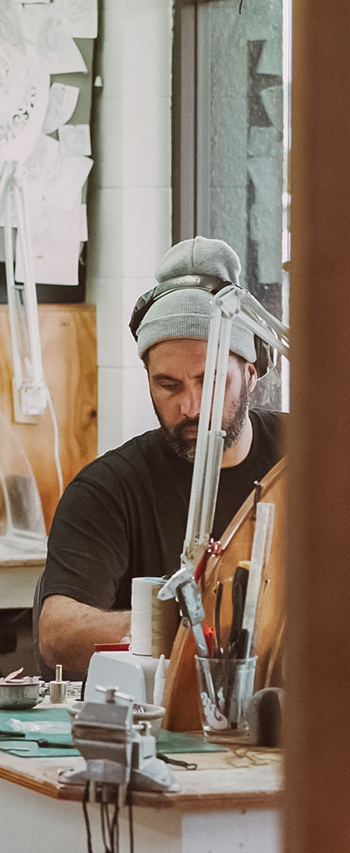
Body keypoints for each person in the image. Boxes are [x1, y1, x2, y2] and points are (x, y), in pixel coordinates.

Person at [35, 237, 285, 673]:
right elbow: (56, 636)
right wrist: (183, 623)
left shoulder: (311, 455)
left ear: (250, 373)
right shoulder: (109, 489)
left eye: (210, 383)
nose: (190, 407)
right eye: (167, 385)